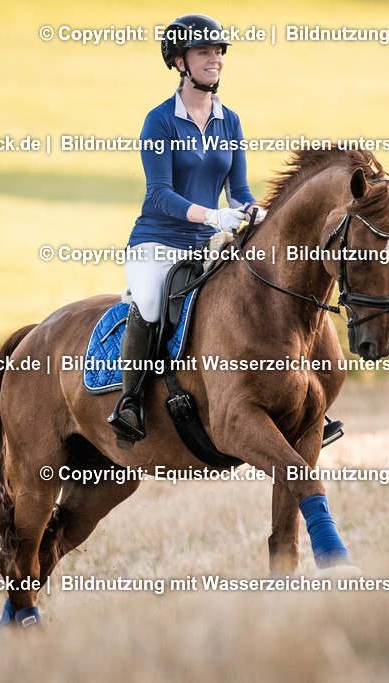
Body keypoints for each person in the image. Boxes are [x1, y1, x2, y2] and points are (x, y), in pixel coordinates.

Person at [108, 13, 264, 449]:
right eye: (204, 52)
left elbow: (239, 191)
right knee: (153, 306)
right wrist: (212, 216)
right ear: (180, 62)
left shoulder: (229, 120)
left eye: (218, 52)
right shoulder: (159, 121)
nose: (214, 60)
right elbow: (158, 195)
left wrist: (256, 212)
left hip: (206, 247)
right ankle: (130, 402)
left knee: (257, 297)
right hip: (156, 243)